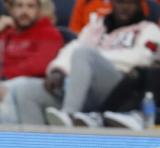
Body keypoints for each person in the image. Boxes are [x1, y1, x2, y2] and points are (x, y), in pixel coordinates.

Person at [11, 0, 160, 126]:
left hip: (118, 87)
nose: (125, 7)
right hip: (80, 85)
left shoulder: (148, 29)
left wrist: (96, 57)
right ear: (112, 4)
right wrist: (58, 70)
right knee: (26, 90)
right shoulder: (97, 27)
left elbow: (143, 58)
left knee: (84, 54)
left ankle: (69, 114)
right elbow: (72, 48)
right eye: (120, 2)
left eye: (130, 3)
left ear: (140, 6)